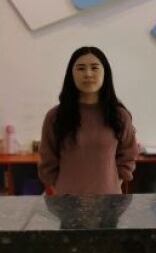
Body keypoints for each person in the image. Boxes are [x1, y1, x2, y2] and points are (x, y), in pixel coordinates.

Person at [38, 46, 139, 195]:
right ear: (71, 74)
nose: (88, 74)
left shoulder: (119, 116)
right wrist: (58, 191)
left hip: (108, 201)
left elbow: (128, 155)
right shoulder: (55, 116)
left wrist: (115, 182)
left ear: (105, 73)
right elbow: (48, 160)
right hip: (67, 201)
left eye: (94, 68)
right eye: (81, 68)